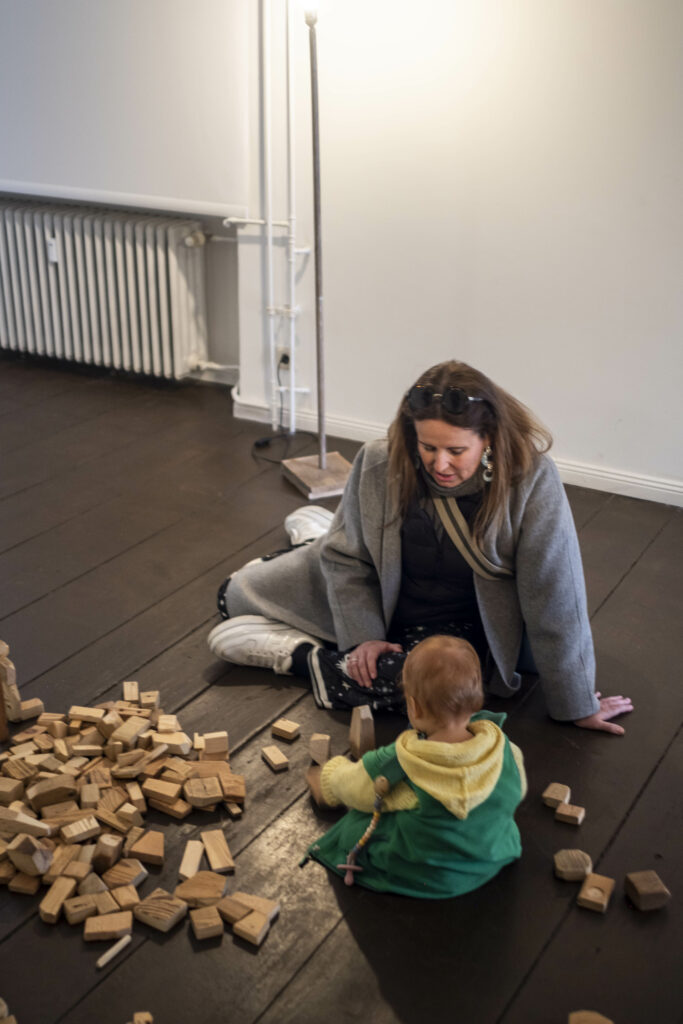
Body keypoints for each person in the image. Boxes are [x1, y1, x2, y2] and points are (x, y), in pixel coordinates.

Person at [208, 359, 633, 734]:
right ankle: (322, 537)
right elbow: (347, 559)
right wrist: (363, 640)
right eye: (427, 447)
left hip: (471, 626)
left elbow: (554, 593)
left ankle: (298, 656)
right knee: (231, 598)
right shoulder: (379, 460)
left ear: (488, 439)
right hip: (390, 603)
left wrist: (575, 705)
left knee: (438, 694)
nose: (440, 464)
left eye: (456, 450)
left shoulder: (532, 479)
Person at [303, 634, 526, 898]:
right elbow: (518, 790)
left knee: (356, 826)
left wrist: (329, 777)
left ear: (413, 706)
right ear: (476, 699)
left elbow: (355, 788)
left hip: (429, 875)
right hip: (490, 856)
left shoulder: (400, 764)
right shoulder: (505, 749)